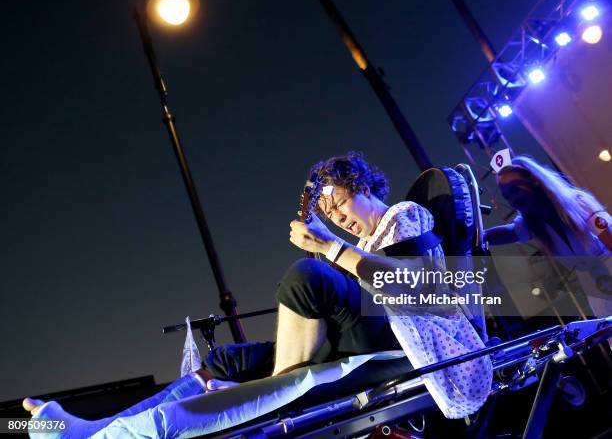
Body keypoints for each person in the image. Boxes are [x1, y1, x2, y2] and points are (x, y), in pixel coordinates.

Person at [23, 152, 491, 436]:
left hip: (401, 340)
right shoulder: (360, 242)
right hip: (358, 334)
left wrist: (330, 249)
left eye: (339, 202)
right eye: (326, 213)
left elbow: (417, 289)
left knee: (308, 276)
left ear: (363, 185)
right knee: (227, 360)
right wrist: (338, 248)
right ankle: (95, 432)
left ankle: (274, 395)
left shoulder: (405, 218)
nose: (335, 217)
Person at [484, 154, 612, 318]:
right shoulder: (532, 223)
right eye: (507, 196)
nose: (513, 199)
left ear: (534, 180)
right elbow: (508, 233)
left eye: (515, 189)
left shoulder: (579, 202)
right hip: (592, 284)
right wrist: (476, 235)